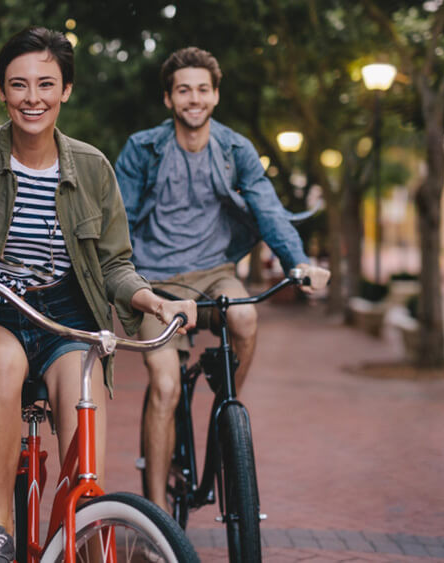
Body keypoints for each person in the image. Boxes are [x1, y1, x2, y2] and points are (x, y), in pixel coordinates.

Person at [0, 27, 196, 563]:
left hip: (67, 315)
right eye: (18, 85)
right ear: (2, 91)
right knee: (3, 364)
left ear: (66, 89)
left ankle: (86, 526)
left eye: (46, 84)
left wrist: (153, 301)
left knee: (81, 408)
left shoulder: (93, 167)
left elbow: (115, 264)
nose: (33, 98)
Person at [114, 46, 331, 512]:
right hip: (156, 283)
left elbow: (268, 211)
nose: (194, 98)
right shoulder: (142, 149)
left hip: (215, 273)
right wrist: (125, 283)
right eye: (183, 90)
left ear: (215, 95)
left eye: (203, 89)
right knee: (166, 386)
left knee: (248, 318)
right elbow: (120, 224)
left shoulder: (235, 150)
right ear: (169, 99)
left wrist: (298, 262)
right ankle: (156, 518)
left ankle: (222, 411)